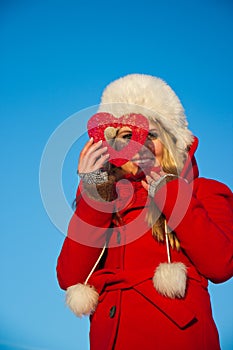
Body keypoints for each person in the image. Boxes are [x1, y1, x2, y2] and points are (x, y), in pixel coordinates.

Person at [56, 74, 233, 350]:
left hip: (176, 338)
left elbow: (221, 264)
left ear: (173, 141)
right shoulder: (106, 204)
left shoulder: (204, 192)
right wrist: (95, 190)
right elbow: (70, 276)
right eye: (126, 137)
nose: (138, 145)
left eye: (150, 135)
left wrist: (166, 188)